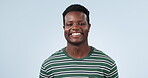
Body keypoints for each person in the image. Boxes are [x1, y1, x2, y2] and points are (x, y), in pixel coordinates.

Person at [39, 4, 119, 78]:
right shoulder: (49, 65)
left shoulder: (107, 64)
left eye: (81, 24)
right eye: (70, 24)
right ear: (64, 28)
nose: (75, 27)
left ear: (89, 27)